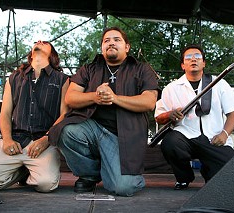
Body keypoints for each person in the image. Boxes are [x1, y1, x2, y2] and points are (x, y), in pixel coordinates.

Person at [49, 27, 159, 196]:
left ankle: (120, 174)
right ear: (102, 47)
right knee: (65, 131)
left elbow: (149, 102)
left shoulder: (142, 69)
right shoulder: (89, 69)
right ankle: (90, 174)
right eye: (106, 41)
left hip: (123, 137)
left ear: (127, 47)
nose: (111, 43)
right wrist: (96, 97)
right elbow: (70, 98)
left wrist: (114, 98)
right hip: (91, 128)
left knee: (124, 188)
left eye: (117, 40)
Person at [0, 40, 69, 192]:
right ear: (30, 55)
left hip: (43, 142)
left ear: (52, 55)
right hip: (16, 141)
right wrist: (7, 140)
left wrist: (46, 139)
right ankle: (22, 172)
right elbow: (5, 112)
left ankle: (30, 170)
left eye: (45, 42)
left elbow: (65, 114)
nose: (39, 41)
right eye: (37, 42)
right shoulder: (14, 77)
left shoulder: (62, 79)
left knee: (46, 184)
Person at [155, 44, 234, 190]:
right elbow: (158, 117)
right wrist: (170, 114)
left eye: (197, 56)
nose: (193, 59)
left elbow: (232, 114)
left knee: (229, 173)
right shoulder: (172, 88)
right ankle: (184, 178)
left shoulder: (219, 83)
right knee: (170, 142)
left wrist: (224, 134)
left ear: (204, 63)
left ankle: (210, 173)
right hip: (185, 137)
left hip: (213, 138)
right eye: (188, 57)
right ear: (183, 65)